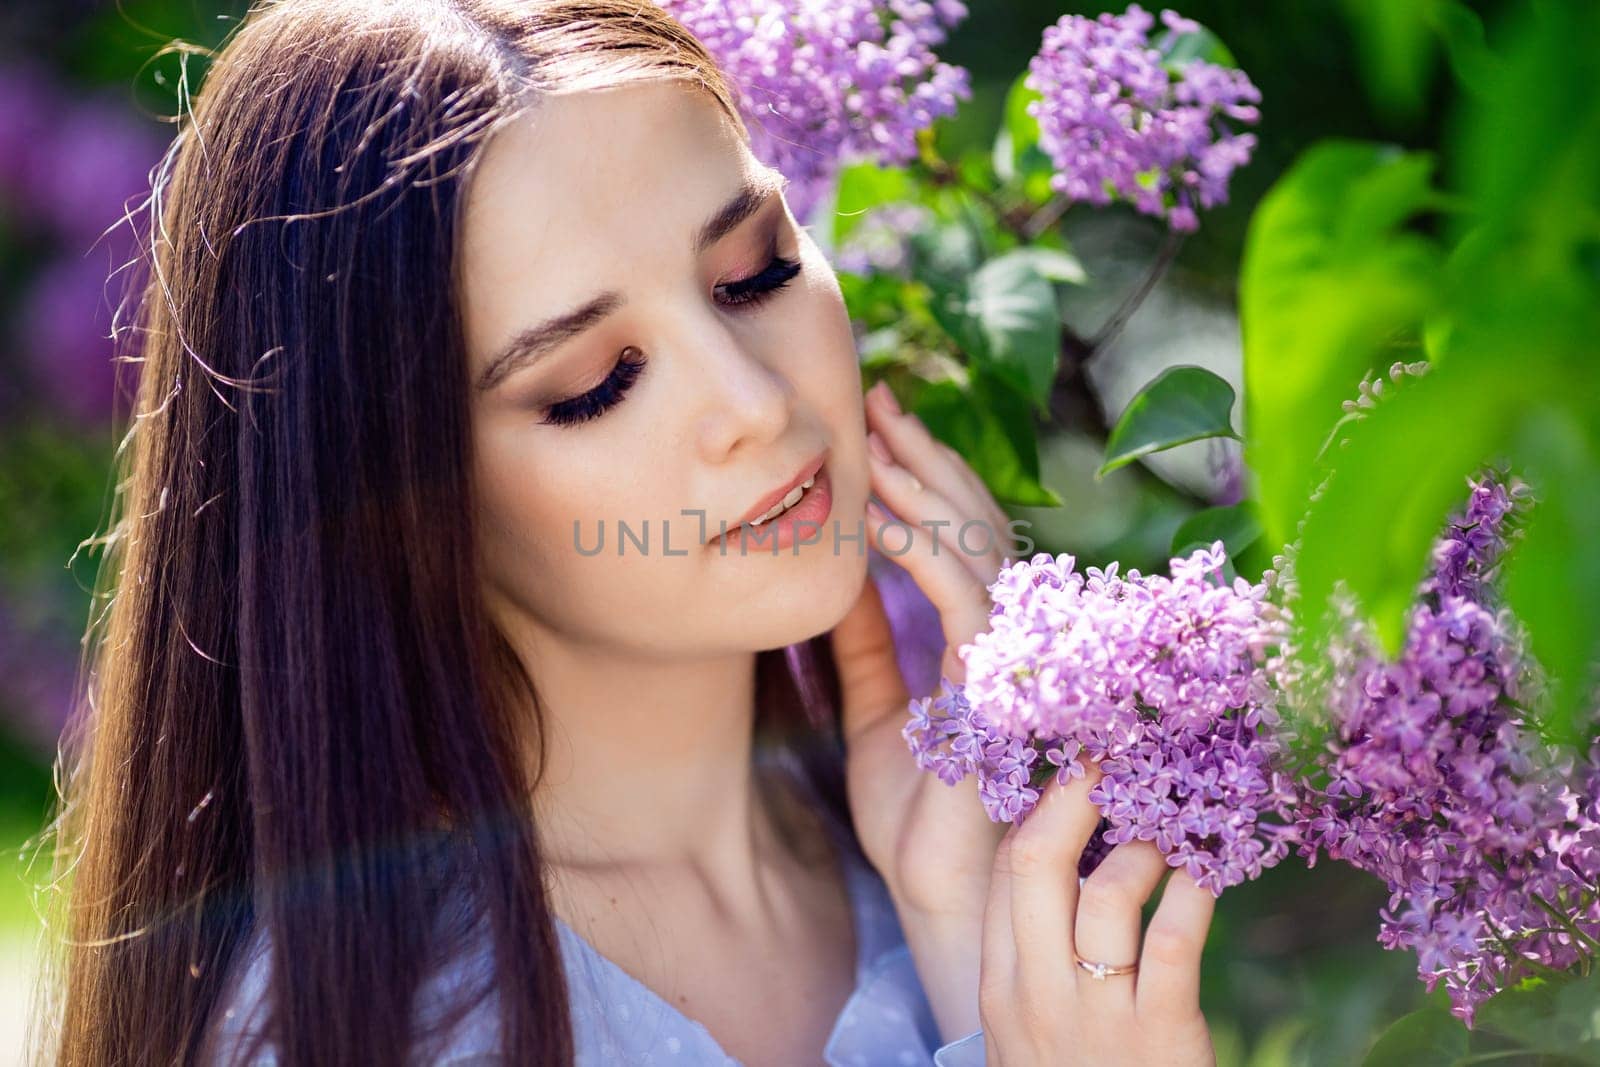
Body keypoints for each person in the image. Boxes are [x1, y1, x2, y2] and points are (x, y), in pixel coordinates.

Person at [32, 1, 1219, 1063]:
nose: (757, 404)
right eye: (597, 382)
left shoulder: (934, 852)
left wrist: (967, 925)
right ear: (390, 503)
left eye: (755, 273)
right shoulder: (350, 1025)